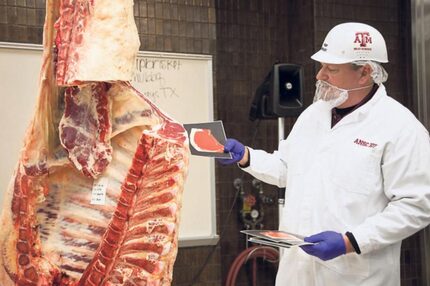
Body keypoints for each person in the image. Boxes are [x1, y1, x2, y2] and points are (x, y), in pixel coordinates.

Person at [219, 22, 430, 285]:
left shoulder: (400, 127)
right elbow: (288, 169)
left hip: (356, 276)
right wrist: (247, 157)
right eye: (322, 67)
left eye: (331, 69)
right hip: (297, 274)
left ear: (364, 73)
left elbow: (416, 206)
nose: (320, 76)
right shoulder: (314, 115)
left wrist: (350, 241)